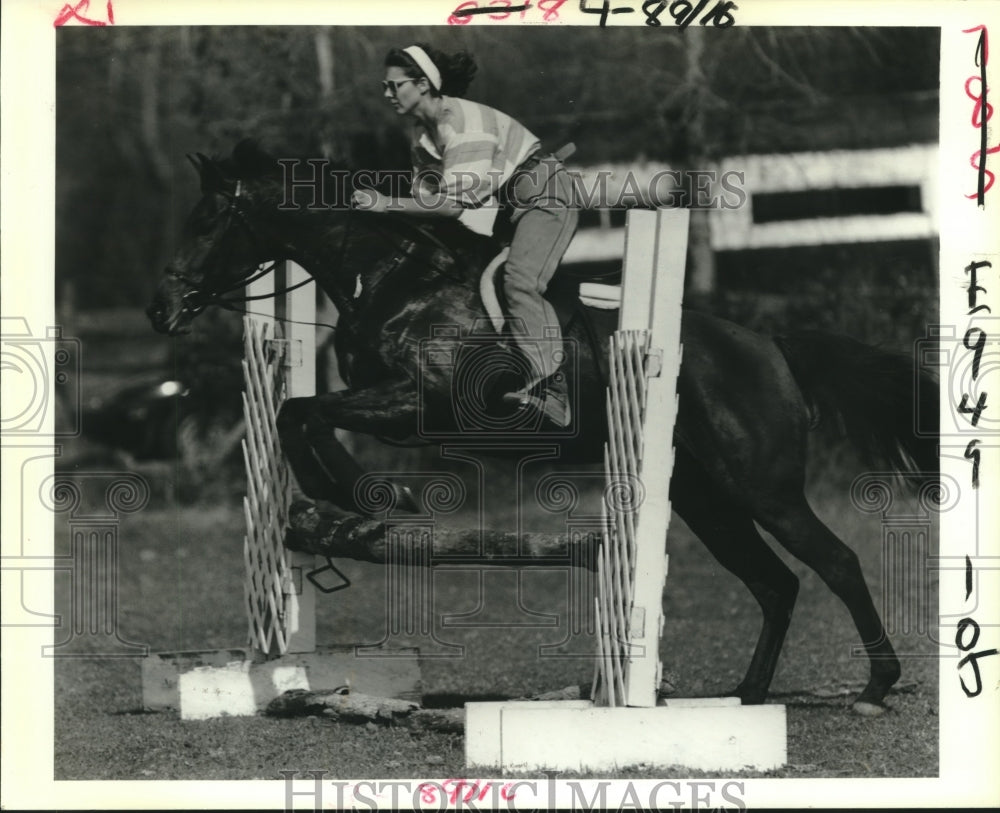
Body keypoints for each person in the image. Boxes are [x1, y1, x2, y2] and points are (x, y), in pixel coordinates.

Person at [350, 43, 579, 427]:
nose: (387, 94)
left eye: (395, 86)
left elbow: (451, 207)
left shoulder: (461, 125)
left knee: (519, 283)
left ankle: (551, 387)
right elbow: (426, 209)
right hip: (511, 208)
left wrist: (384, 203)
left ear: (422, 85)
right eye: (384, 86)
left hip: (546, 198)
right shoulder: (423, 139)